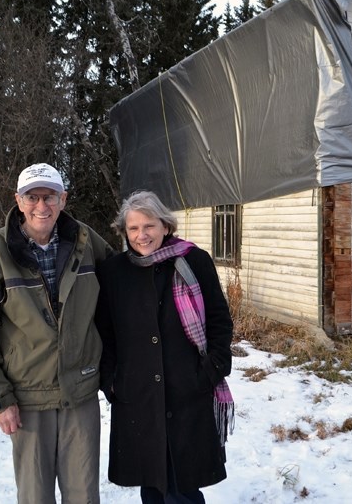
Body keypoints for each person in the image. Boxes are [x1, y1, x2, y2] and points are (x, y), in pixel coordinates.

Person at [0, 162, 114, 503]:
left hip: (81, 390)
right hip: (28, 396)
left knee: (84, 493)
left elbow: (124, 283)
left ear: (63, 199)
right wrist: (0, 399)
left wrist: (164, 254)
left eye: (50, 197)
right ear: (18, 200)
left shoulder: (86, 241)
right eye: (33, 197)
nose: (41, 206)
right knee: (35, 494)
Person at [95, 190, 234, 504]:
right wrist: (111, 381)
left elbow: (218, 318)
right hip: (138, 394)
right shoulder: (115, 272)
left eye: (149, 226)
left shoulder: (193, 261)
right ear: (124, 231)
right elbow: (105, 331)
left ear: (165, 226)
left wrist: (212, 368)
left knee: (181, 485)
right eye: (133, 228)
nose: (142, 235)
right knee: (153, 483)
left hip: (188, 389)